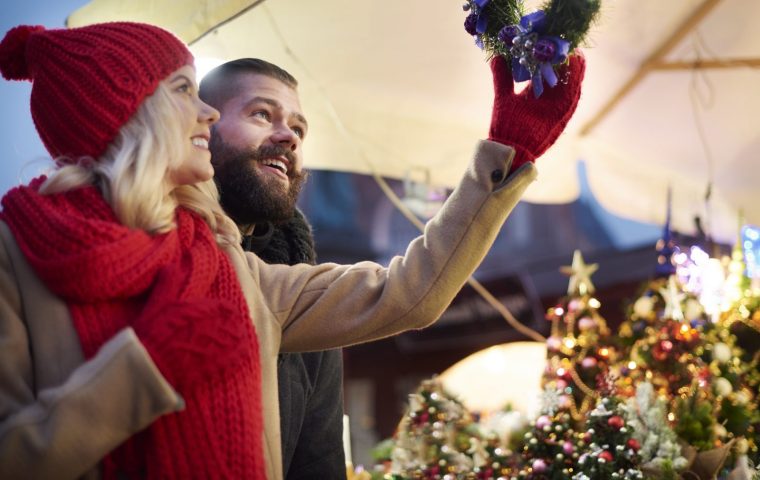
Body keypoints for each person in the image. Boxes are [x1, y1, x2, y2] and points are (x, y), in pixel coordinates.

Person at [0, 21, 584, 480]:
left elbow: (405, 293)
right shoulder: (14, 258)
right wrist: (144, 370)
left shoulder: (236, 269)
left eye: (299, 128)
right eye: (185, 90)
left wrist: (507, 152)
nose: (202, 108)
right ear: (129, 110)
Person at [200, 59, 347, 480]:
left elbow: (319, 461)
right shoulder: (149, 247)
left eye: (299, 129)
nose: (288, 138)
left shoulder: (302, 290)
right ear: (201, 127)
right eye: (262, 114)